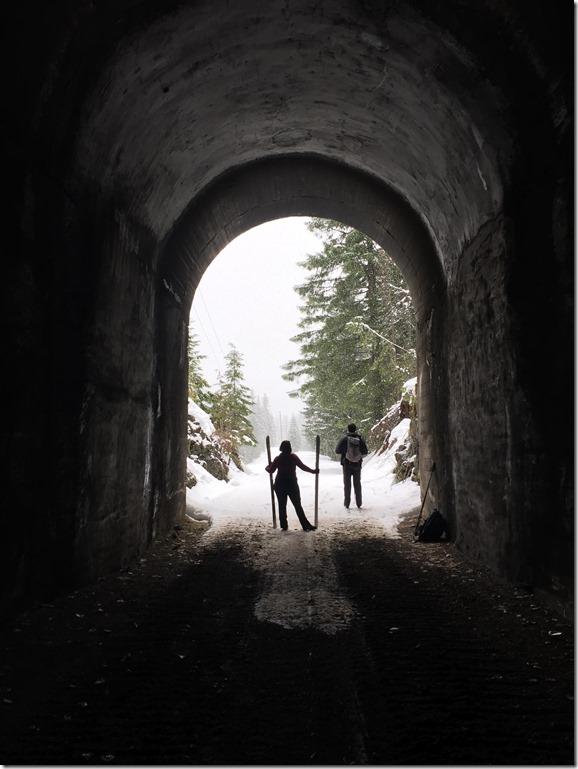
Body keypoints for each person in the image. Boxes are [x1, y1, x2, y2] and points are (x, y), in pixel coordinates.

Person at [265, 440, 319, 531]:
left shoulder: (278, 458)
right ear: (290, 447)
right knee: (297, 505)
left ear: (281, 448)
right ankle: (305, 525)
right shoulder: (293, 457)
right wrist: (313, 471)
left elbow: (271, 470)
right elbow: (303, 467)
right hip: (291, 484)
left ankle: (284, 525)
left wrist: (267, 467)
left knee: (282, 505)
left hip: (279, 485)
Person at [335, 423, 368, 510]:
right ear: (355, 429)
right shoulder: (359, 439)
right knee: (357, 483)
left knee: (347, 484)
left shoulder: (345, 439)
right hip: (357, 464)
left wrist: (345, 451)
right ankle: (359, 503)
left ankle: (347, 503)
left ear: (348, 429)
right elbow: (365, 451)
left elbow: (337, 450)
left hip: (347, 464)